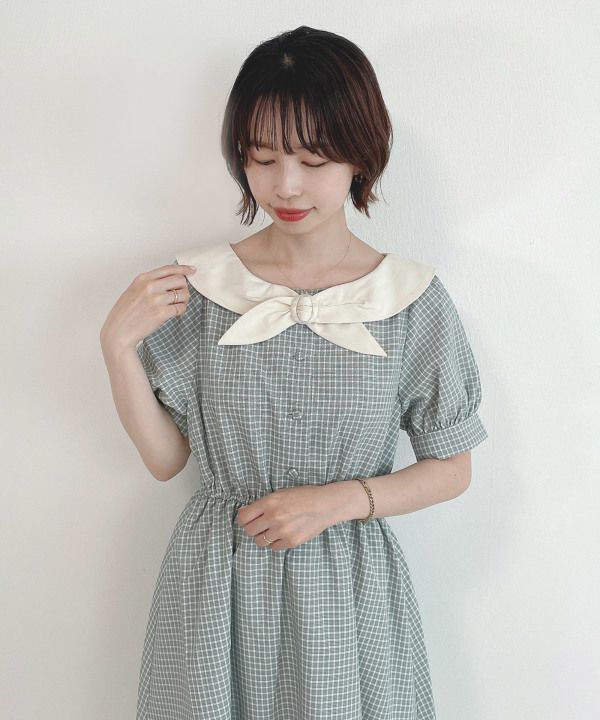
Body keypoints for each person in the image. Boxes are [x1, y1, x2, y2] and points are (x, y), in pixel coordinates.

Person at [100, 25, 488, 720]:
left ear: (360, 156)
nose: (285, 185)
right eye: (262, 157)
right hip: (218, 584)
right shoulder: (201, 287)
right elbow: (166, 461)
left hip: (348, 587)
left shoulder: (408, 299)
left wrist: (337, 501)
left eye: (313, 159)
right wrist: (117, 347)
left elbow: (451, 468)